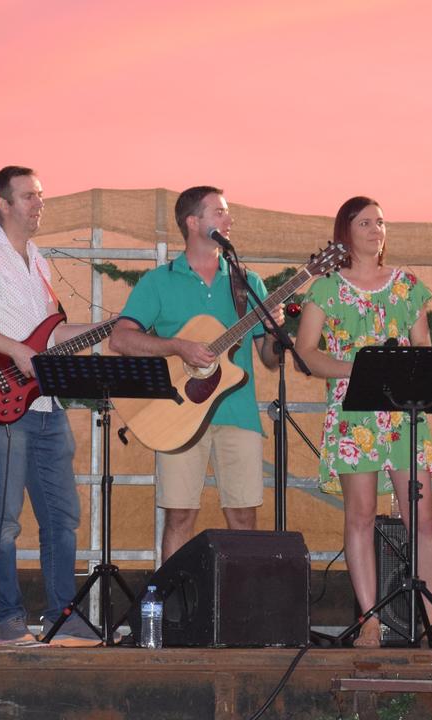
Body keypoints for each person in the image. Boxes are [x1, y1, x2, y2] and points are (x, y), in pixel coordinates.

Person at [294, 196, 432, 648]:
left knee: (422, 519)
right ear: (344, 230)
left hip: (404, 414)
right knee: (361, 514)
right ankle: (369, 620)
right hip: (353, 413)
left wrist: (409, 369)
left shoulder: (407, 286)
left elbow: (423, 349)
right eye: (365, 222)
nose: (375, 229)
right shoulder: (326, 288)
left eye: (380, 222)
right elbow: (306, 353)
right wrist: (359, 369)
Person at [0, 165, 100, 643]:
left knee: (62, 514)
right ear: (3, 204)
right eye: (29, 196)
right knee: (6, 517)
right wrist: (15, 350)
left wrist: (119, 327)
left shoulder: (36, 258)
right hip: (2, 405)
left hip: (45, 404)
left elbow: (49, 335)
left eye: (41, 196)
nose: (39, 204)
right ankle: (9, 618)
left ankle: (62, 615)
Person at [108, 185, 282, 562]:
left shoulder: (248, 284)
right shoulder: (159, 281)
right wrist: (178, 346)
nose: (228, 220)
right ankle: (173, 614)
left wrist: (273, 334)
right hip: (177, 414)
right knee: (180, 517)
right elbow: (120, 340)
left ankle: (242, 613)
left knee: (243, 517)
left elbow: (269, 360)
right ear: (192, 222)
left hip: (239, 414)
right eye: (219, 212)